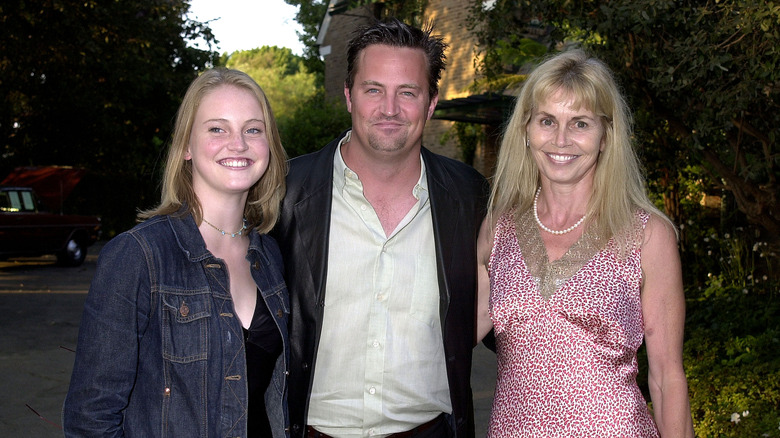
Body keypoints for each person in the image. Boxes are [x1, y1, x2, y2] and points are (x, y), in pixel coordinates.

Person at [273, 17, 489, 438]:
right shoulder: (282, 194)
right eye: (374, 90)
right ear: (349, 96)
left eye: (407, 92)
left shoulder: (471, 198)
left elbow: (513, 316)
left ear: (430, 103)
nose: (390, 109)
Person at [475, 49, 695, 437]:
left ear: (606, 136)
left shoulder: (646, 235)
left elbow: (666, 378)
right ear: (526, 130)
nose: (561, 140)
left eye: (580, 123)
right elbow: (450, 341)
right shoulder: (498, 229)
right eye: (547, 121)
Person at [63, 67, 290, 437]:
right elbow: (91, 418)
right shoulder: (138, 256)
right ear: (186, 145)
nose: (238, 143)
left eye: (253, 129)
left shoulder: (270, 256)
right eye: (217, 128)